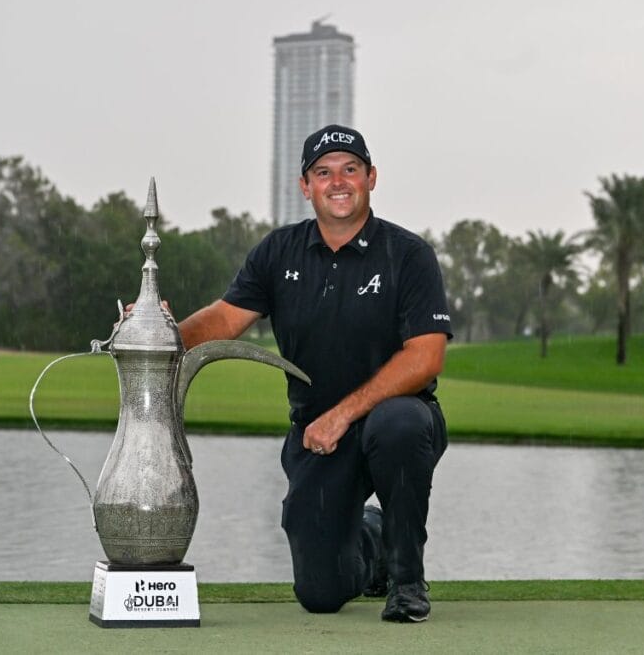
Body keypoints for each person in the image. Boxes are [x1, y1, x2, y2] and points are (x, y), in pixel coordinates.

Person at [176, 124, 453, 622]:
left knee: (400, 425)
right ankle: (374, 546)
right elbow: (223, 319)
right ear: (306, 186)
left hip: (398, 422)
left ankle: (408, 583)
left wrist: (344, 414)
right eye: (323, 172)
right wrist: (159, 331)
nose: (338, 181)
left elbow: (425, 357)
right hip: (317, 436)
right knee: (320, 594)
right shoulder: (278, 252)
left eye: (350, 169)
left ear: (371, 178)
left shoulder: (408, 255)